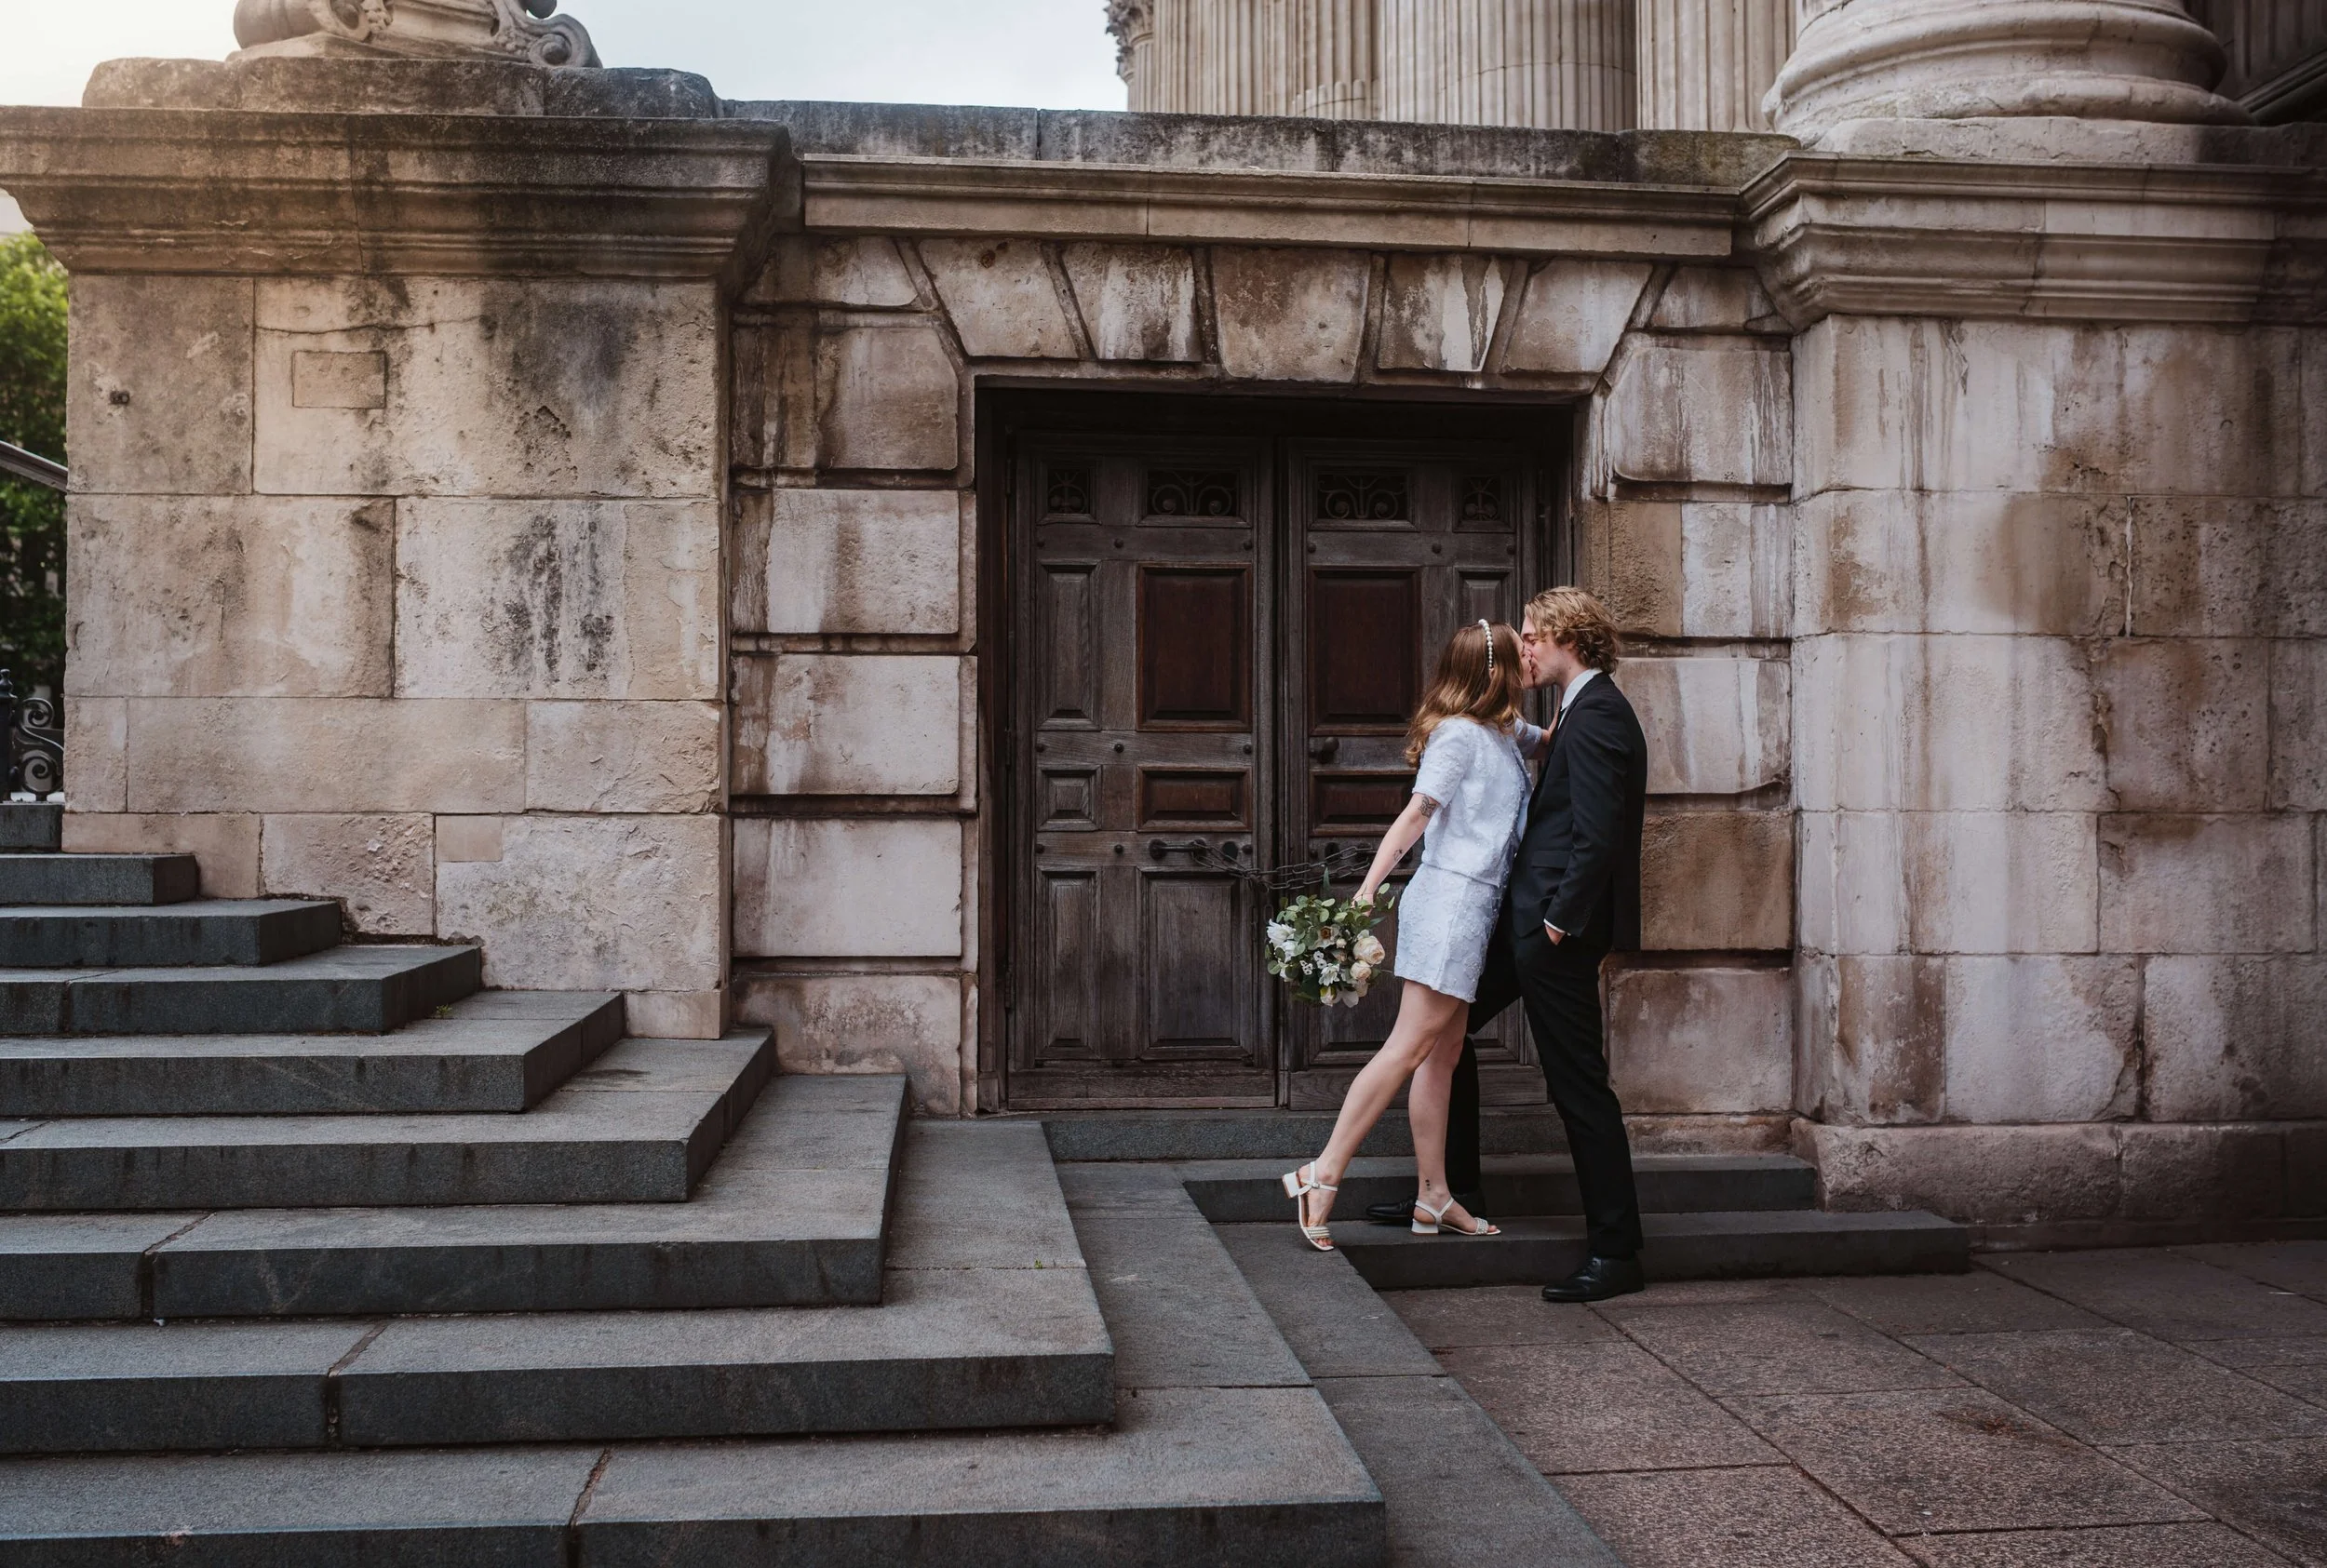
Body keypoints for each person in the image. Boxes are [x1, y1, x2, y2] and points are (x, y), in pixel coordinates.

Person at [1367, 587, 1650, 1302]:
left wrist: (1558, 921)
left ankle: (1617, 1251)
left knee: (1577, 1083)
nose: (1522, 645)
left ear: (1566, 638)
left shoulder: (1601, 717)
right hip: (1519, 926)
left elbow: (1598, 837)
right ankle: (1447, 1189)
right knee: (1443, 1036)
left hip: (1551, 934)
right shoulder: (1569, 713)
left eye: (1530, 634)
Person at [1281, 620, 1543, 1250]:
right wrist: (1368, 889)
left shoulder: (1504, 732)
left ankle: (1434, 1193)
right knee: (1406, 1048)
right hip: (1449, 903)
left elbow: (1552, 734)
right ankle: (1322, 1171)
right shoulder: (1457, 737)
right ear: (1497, 672)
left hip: (1475, 908)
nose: (1529, 657)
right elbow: (1417, 813)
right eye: (1519, 652)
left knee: (1443, 1054)